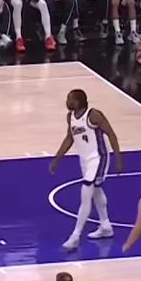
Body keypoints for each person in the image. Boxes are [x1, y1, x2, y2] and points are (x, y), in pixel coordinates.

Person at [49, 89, 121, 250]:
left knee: (86, 194)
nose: (67, 101)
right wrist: (57, 158)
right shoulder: (70, 117)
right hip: (84, 160)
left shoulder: (93, 115)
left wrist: (118, 159)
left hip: (98, 158)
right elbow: (69, 138)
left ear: (78, 101)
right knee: (96, 191)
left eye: (69, 99)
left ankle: (75, 236)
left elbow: (111, 135)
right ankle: (106, 226)